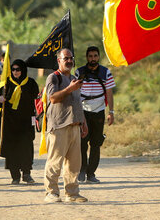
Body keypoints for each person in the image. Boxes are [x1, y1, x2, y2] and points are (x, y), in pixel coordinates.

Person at [43, 48, 88, 203]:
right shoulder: (53, 78)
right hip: (59, 125)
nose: (69, 61)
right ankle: (51, 192)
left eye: (71, 58)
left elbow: (78, 102)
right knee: (55, 161)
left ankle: (72, 193)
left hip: (75, 125)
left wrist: (83, 122)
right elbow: (53, 98)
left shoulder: (74, 78)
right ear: (59, 61)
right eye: (65, 58)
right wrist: (70, 88)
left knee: (74, 163)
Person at [0, 58, 40, 184]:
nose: (15, 72)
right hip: (10, 123)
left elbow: (38, 101)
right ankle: (15, 176)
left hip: (26, 123)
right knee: (12, 149)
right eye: (13, 69)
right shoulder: (6, 84)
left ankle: (26, 174)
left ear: (23, 70)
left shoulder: (30, 83)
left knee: (26, 148)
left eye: (18, 69)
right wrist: (0, 99)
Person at [76, 46, 115, 183]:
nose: (93, 59)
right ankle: (81, 170)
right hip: (83, 112)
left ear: (98, 57)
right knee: (81, 142)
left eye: (95, 56)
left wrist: (111, 112)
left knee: (96, 144)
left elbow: (109, 93)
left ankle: (91, 174)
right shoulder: (79, 72)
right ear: (87, 57)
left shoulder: (105, 72)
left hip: (99, 112)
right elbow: (75, 91)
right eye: (90, 56)